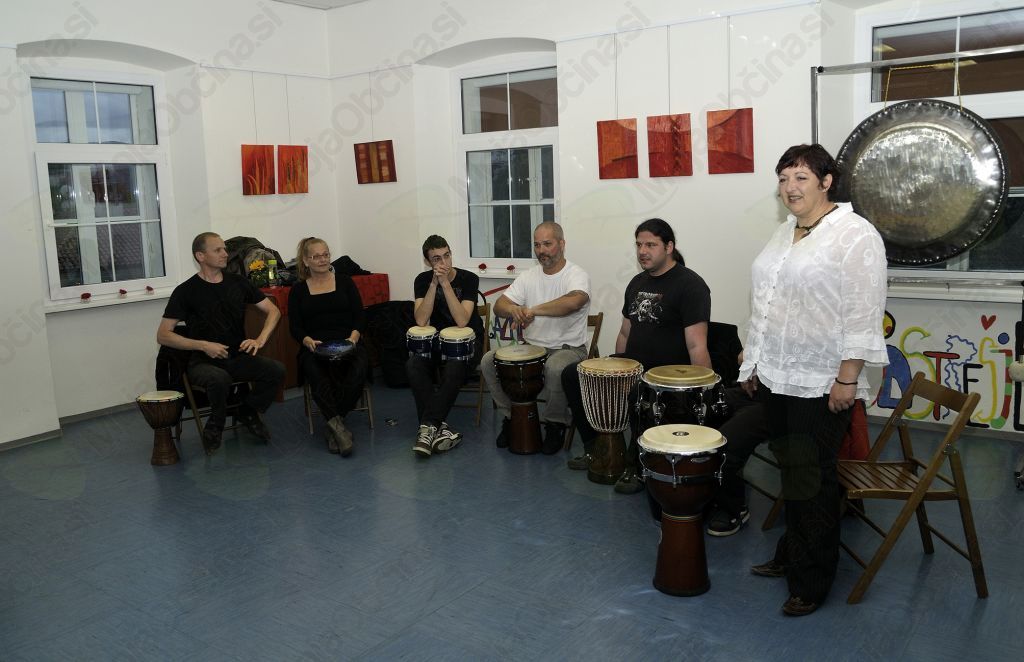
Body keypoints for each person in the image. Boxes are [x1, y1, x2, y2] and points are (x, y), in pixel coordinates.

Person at [741, 144, 887, 617]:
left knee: (813, 478)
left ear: (826, 182)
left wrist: (848, 378)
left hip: (821, 379)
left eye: (801, 177)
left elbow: (863, 313)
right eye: (783, 178)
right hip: (777, 373)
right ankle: (792, 553)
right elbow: (766, 298)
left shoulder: (854, 234)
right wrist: (753, 355)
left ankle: (812, 580)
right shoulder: (786, 231)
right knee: (792, 471)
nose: (790, 188)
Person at [562, 218, 712, 494]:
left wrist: (703, 392)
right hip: (634, 364)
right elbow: (624, 332)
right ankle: (595, 448)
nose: (642, 251)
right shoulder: (637, 282)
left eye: (650, 245)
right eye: (639, 245)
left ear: (669, 247)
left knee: (637, 393)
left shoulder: (690, 285)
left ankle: (636, 465)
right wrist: (617, 365)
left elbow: (697, 345)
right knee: (573, 374)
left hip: (665, 373)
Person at [157, 232, 285, 455]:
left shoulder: (238, 282)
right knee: (219, 378)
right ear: (200, 256)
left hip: (236, 357)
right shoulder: (186, 291)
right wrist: (203, 345)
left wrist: (260, 339)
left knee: (276, 370)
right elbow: (163, 335)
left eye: (224, 249)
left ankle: (247, 411)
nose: (225, 254)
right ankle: (215, 425)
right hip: (202, 362)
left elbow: (273, 311)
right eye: (218, 250)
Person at [480, 222, 591, 454]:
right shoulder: (528, 276)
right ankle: (512, 417)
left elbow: (573, 302)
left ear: (562, 244)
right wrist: (514, 310)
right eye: (537, 245)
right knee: (488, 361)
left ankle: (555, 424)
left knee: (554, 366)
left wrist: (532, 310)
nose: (541, 250)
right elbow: (500, 305)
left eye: (547, 244)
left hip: (569, 349)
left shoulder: (576, 274)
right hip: (532, 348)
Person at [288, 237, 370, 457]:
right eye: (316, 256)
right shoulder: (298, 290)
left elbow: (360, 316)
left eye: (326, 254)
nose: (323, 259)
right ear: (306, 261)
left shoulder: (345, 282)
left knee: (359, 368)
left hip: (348, 342)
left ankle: (334, 423)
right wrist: (306, 340)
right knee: (316, 373)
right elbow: (295, 327)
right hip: (315, 347)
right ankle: (338, 427)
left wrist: (354, 338)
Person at [406, 235, 484, 457]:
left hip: (468, 342)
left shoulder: (469, 279)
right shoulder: (422, 280)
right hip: (438, 341)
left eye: (447, 255)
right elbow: (421, 320)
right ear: (427, 262)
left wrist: (446, 285)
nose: (444, 263)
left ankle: (428, 426)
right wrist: (434, 284)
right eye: (437, 259)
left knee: (454, 366)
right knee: (413, 365)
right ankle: (440, 430)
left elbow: (462, 320)